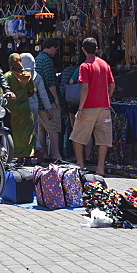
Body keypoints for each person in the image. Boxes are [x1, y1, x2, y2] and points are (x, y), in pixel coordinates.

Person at [70, 37, 115, 176]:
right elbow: (112, 85)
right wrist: (107, 97)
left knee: (77, 137)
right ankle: (100, 168)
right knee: (104, 139)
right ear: (96, 49)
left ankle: (80, 165)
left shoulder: (85, 66)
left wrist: (81, 108)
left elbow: (85, 88)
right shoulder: (104, 65)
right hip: (104, 107)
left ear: (83, 50)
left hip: (89, 107)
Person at [31, 40, 63, 161]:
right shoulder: (47, 61)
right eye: (56, 49)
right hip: (48, 101)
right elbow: (50, 82)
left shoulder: (37, 59)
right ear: (51, 47)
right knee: (53, 128)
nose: (56, 52)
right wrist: (56, 98)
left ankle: (43, 154)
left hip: (37, 101)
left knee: (41, 128)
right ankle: (56, 154)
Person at [4, 53, 36, 163]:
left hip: (12, 109)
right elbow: (31, 91)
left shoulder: (8, 76)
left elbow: (3, 93)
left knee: (15, 133)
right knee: (27, 133)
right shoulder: (27, 76)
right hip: (25, 109)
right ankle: (26, 156)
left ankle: (15, 156)